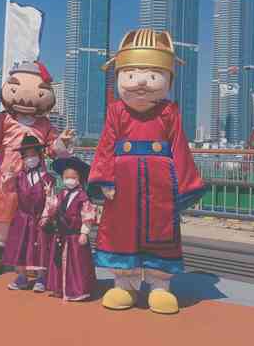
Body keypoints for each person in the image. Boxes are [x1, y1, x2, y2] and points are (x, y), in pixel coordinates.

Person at [87, 29, 206, 314]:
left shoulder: (169, 112)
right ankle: (124, 284)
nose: (141, 82)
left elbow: (179, 147)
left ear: (168, 80)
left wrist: (185, 185)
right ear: (119, 77)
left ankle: (159, 285)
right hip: (122, 184)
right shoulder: (116, 110)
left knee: (161, 231)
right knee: (121, 230)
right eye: (131, 74)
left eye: (153, 75)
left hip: (160, 185)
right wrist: (104, 178)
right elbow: (106, 145)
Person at [0, 61, 74, 277]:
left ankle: (29, 258)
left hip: (33, 178)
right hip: (5, 178)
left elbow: (53, 150)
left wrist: (62, 142)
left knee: (32, 216)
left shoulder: (45, 125)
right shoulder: (4, 119)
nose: (26, 99)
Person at [2, 135, 55, 291]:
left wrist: (46, 215)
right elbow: (6, 189)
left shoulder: (47, 178)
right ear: (23, 158)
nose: (30, 158)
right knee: (20, 246)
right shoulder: (19, 176)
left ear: (39, 155)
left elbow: (51, 200)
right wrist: (8, 176)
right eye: (27, 155)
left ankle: (41, 277)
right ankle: (22, 277)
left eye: (33, 154)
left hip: (40, 218)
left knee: (41, 247)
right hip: (22, 217)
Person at [42, 157, 97, 302]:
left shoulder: (83, 197)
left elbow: (87, 215)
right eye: (66, 177)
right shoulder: (61, 194)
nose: (69, 180)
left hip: (75, 236)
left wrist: (84, 232)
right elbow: (53, 207)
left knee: (77, 265)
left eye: (73, 177)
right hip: (61, 234)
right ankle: (60, 288)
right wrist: (48, 195)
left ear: (79, 179)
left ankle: (78, 290)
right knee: (59, 262)